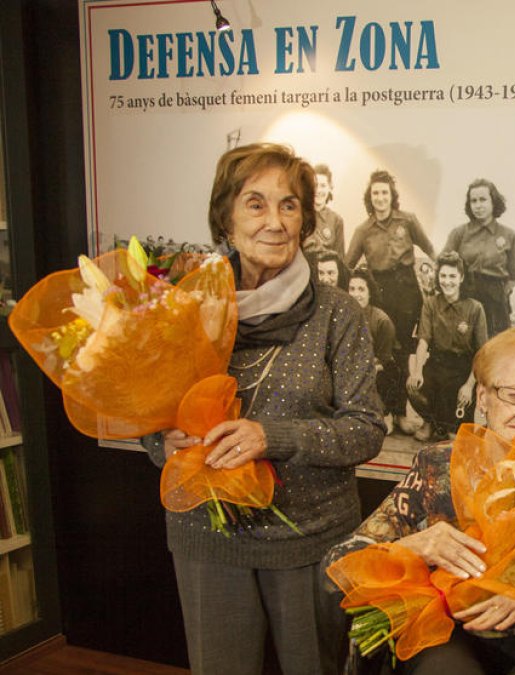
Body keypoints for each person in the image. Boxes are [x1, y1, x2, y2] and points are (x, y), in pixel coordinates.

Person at [142, 143, 387, 674]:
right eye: (255, 204)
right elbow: (150, 408)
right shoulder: (185, 305)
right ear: (226, 220)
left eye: (289, 205)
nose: (274, 221)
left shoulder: (337, 313)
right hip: (208, 537)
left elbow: (367, 430)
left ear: (305, 219)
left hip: (310, 540)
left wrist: (271, 436)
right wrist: (160, 442)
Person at [326, 324, 515, 674]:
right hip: (454, 627)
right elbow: (341, 561)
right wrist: (416, 545)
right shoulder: (438, 464)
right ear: (482, 397)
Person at [346, 169, 435, 431]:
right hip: (380, 290)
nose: (380, 197)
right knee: (384, 353)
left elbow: (430, 249)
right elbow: (347, 264)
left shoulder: (407, 220)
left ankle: (401, 413)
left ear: (391, 195)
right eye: (375, 193)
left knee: (403, 351)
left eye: (384, 192)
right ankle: (383, 411)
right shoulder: (363, 230)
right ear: (369, 197)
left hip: (406, 290)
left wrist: (438, 277)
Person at [407, 251, 489, 442]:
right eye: (443, 276)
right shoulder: (430, 304)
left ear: (461, 277)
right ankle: (429, 422)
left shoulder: (475, 308)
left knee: (454, 440)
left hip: (463, 369)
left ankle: (446, 426)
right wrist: (417, 371)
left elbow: (482, 353)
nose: (447, 281)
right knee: (414, 387)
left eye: (452, 276)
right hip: (437, 364)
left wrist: (469, 386)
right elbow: (423, 341)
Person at [443, 179, 515, 335]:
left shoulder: (510, 235)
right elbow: (443, 265)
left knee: (493, 349)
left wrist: (498, 294)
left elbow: (514, 277)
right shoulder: (459, 233)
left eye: (483, 200)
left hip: (495, 303)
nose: (478, 205)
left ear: (494, 202)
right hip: (465, 296)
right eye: (473, 201)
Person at [348, 268, 401, 433]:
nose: (356, 294)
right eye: (352, 289)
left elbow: (384, 360)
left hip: (377, 371)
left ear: (370, 292)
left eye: (361, 289)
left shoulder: (381, 321)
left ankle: (386, 412)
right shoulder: (343, 316)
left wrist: (362, 372)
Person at [302, 163, 346, 263]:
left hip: (326, 276)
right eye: (315, 185)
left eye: (323, 186)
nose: (318, 190)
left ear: (330, 188)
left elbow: (340, 260)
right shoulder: (300, 216)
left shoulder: (336, 220)